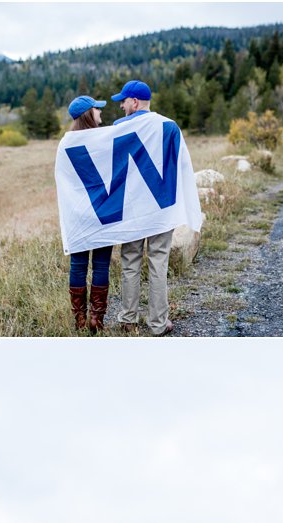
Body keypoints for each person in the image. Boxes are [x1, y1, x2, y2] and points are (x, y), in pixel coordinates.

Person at [110, 80, 184, 337]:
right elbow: (179, 167)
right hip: (162, 207)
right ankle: (157, 324)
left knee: (130, 262)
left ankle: (128, 320)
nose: (121, 106)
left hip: (131, 209)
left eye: (123, 101)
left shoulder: (118, 129)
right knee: (158, 263)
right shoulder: (170, 126)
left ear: (135, 102)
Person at [61, 96, 113, 333]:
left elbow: (64, 182)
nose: (101, 114)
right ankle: (96, 320)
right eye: (97, 110)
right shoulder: (104, 139)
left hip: (78, 215)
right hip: (102, 211)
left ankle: (80, 320)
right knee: (101, 266)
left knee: (78, 266)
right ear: (88, 115)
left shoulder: (65, 144)